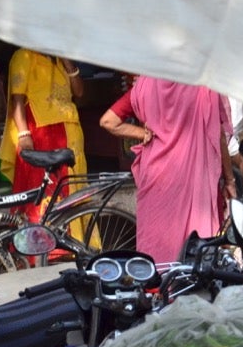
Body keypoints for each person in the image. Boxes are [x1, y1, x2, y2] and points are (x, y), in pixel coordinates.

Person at [99, 77, 234, 265]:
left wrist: (142, 133)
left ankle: (156, 290)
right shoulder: (205, 87)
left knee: (156, 246)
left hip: (156, 179)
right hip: (195, 179)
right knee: (198, 247)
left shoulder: (144, 87)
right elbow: (218, 136)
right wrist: (229, 180)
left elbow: (108, 121)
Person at [0, 49, 86, 222]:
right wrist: (23, 133)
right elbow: (17, 100)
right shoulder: (23, 56)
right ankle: (49, 245)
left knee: (73, 188)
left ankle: (75, 241)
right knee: (47, 191)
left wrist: (67, 60)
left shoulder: (60, 59)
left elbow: (79, 92)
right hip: (42, 136)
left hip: (70, 133)